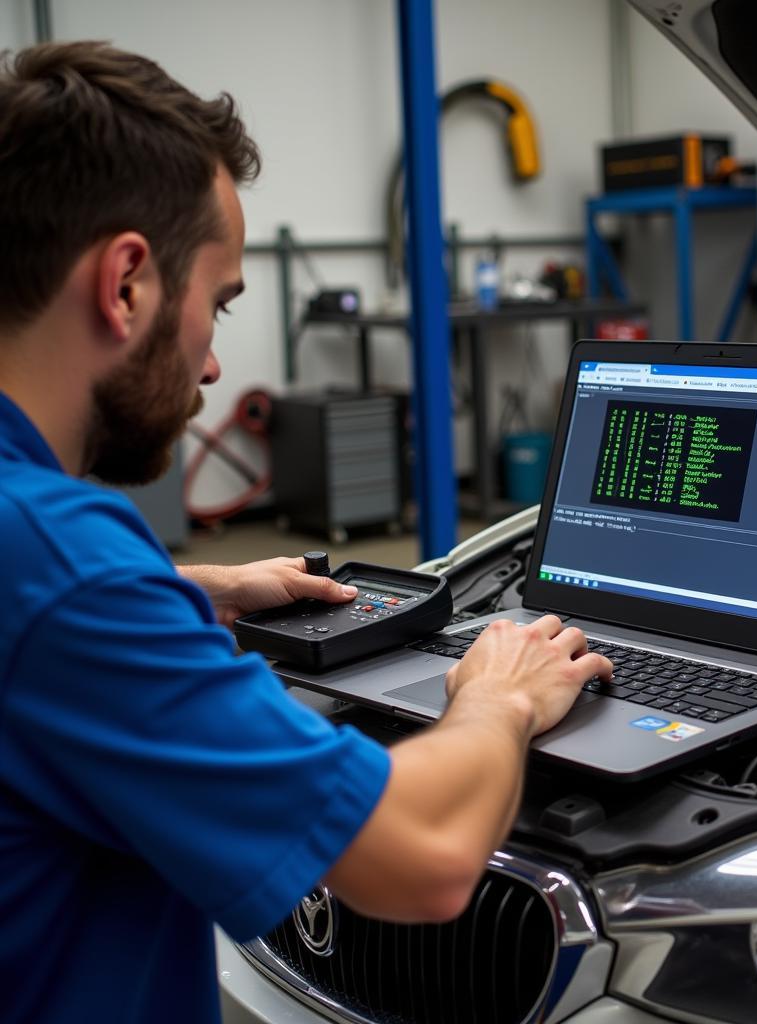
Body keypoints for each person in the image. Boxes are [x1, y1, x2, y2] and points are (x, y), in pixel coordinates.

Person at [0, 41, 613, 1024]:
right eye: (219, 301)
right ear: (124, 284)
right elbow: (423, 857)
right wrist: (498, 696)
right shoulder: (67, 568)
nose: (210, 366)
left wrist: (191, 587)